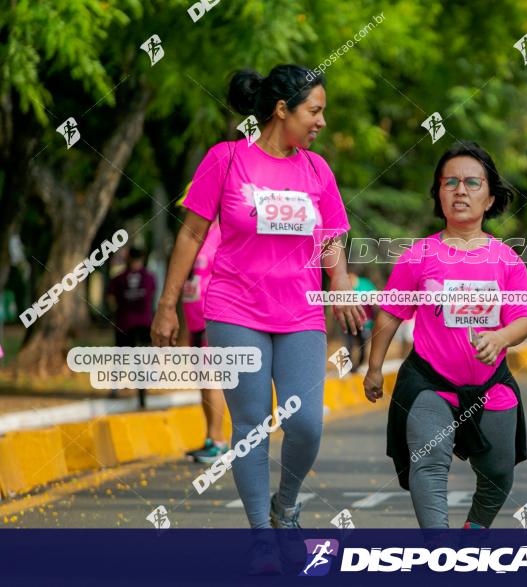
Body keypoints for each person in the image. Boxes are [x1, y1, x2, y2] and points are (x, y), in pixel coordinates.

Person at [150, 64, 364, 568]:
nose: (322, 123)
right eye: (315, 111)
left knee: (307, 423)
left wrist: (341, 283)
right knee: (250, 424)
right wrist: (167, 304)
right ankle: (262, 536)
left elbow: (331, 237)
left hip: (302, 311)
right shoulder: (226, 160)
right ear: (281, 110)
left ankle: (285, 505)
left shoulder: (317, 170)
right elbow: (190, 235)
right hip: (233, 309)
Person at [363, 141, 527, 529]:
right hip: (429, 381)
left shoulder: (507, 260)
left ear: (490, 198)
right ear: (438, 194)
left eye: (473, 183)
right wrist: (374, 367)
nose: (461, 190)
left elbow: (524, 317)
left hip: (491, 385)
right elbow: (391, 313)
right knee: (429, 462)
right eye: (450, 182)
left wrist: (501, 338)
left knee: (499, 474)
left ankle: (472, 535)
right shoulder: (418, 256)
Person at [179, 205, 230, 464]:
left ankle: (219, 440)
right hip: (194, 320)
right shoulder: (194, 234)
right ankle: (210, 438)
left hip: (213, 317)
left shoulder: (221, 232)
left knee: (212, 379)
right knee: (202, 380)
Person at [107, 248, 156, 408]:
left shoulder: (119, 278)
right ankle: (142, 388)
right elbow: (153, 295)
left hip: (125, 323)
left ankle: (115, 388)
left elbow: (110, 299)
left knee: (121, 357)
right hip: (143, 323)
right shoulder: (149, 277)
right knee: (142, 358)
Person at [344, 271, 377, 371]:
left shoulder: (365, 284)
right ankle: (348, 369)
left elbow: (375, 298)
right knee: (348, 346)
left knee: (362, 345)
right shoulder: (346, 287)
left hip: (365, 324)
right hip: (349, 323)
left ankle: (358, 366)